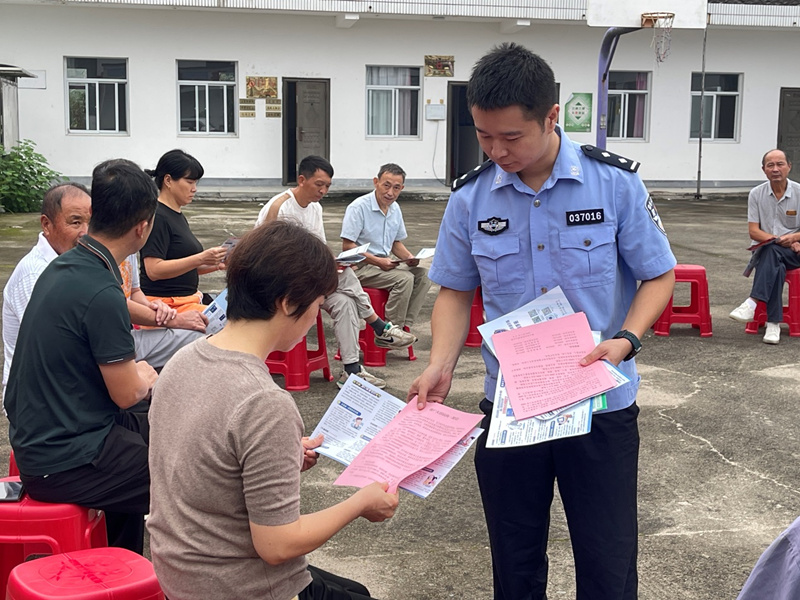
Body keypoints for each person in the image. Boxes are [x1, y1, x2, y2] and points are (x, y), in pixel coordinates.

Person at [408, 43, 676, 600]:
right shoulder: (470, 198)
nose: (497, 150)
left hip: (600, 403)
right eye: (484, 136)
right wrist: (440, 364)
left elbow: (658, 275)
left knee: (607, 560)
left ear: (552, 116)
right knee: (515, 560)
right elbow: (456, 291)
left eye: (511, 137)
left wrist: (627, 339)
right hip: (512, 406)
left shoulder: (614, 184)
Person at [148, 220, 398, 600]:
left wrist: (277, 457)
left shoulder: (183, 360)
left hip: (180, 571)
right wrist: (360, 502)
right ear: (288, 302)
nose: (316, 318)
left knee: (354, 590)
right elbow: (277, 545)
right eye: (317, 305)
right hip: (237, 586)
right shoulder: (265, 403)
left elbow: (204, 463)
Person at [5, 160, 160, 554]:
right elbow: (127, 393)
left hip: (51, 433)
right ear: (142, 227)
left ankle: (123, 564)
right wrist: (145, 375)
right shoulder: (101, 290)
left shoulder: (66, 265)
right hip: (62, 458)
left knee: (171, 423)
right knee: (190, 474)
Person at [255, 155, 414, 389]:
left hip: (309, 281)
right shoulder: (280, 206)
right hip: (281, 282)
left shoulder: (315, 208)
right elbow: (268, 256)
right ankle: (379, 325)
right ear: (302, 180)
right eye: (319, 184)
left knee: (345, 301)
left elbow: (320, 248)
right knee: (345, 276)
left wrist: (334, 262)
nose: (323, 191)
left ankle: (351, 370)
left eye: (327, 186)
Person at [2, 183, 91, 406]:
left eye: (91, 222)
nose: (86, 233)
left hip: (66, 382)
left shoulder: (75, 262)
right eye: (76, 222)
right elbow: (54, 348)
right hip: (36, 398)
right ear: (46, 224)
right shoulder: (35, 275)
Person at [341, 163, 431, 340]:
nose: (390, 192)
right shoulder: (359, 207)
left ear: (401, 188)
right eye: (386, 185)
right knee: (404, 279)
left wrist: (409, 258)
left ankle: (404, 325)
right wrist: (377, 261)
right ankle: (389, 332)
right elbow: (348, 246)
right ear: (376, 182)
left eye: (396, 188)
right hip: (360, 267)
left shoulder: (395, 208)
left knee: (424, 275)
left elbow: (395, 243)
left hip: (385, 263)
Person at [139, 149, 227, 313]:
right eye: (189, 182)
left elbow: (186, 268)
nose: (194, 189)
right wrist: (201, 257)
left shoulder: (176, 215)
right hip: (167, 305)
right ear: (168, 180)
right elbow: (153, 270)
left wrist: (217, 264)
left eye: (196, 183)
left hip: (187, 300)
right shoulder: (158, 217)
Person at [729, 149, 800, 344]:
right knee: (775, 261)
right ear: (764, 170)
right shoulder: (756, 194)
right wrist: (780, 239)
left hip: (796, 252)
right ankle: (772, 324)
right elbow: (754, 231)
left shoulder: (799, 192)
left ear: (789, 167)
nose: (775, 169)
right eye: (770, 165)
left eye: (780, 164)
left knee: (771, 252)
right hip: (771, 249)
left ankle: (752, 303)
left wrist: (795, 237)